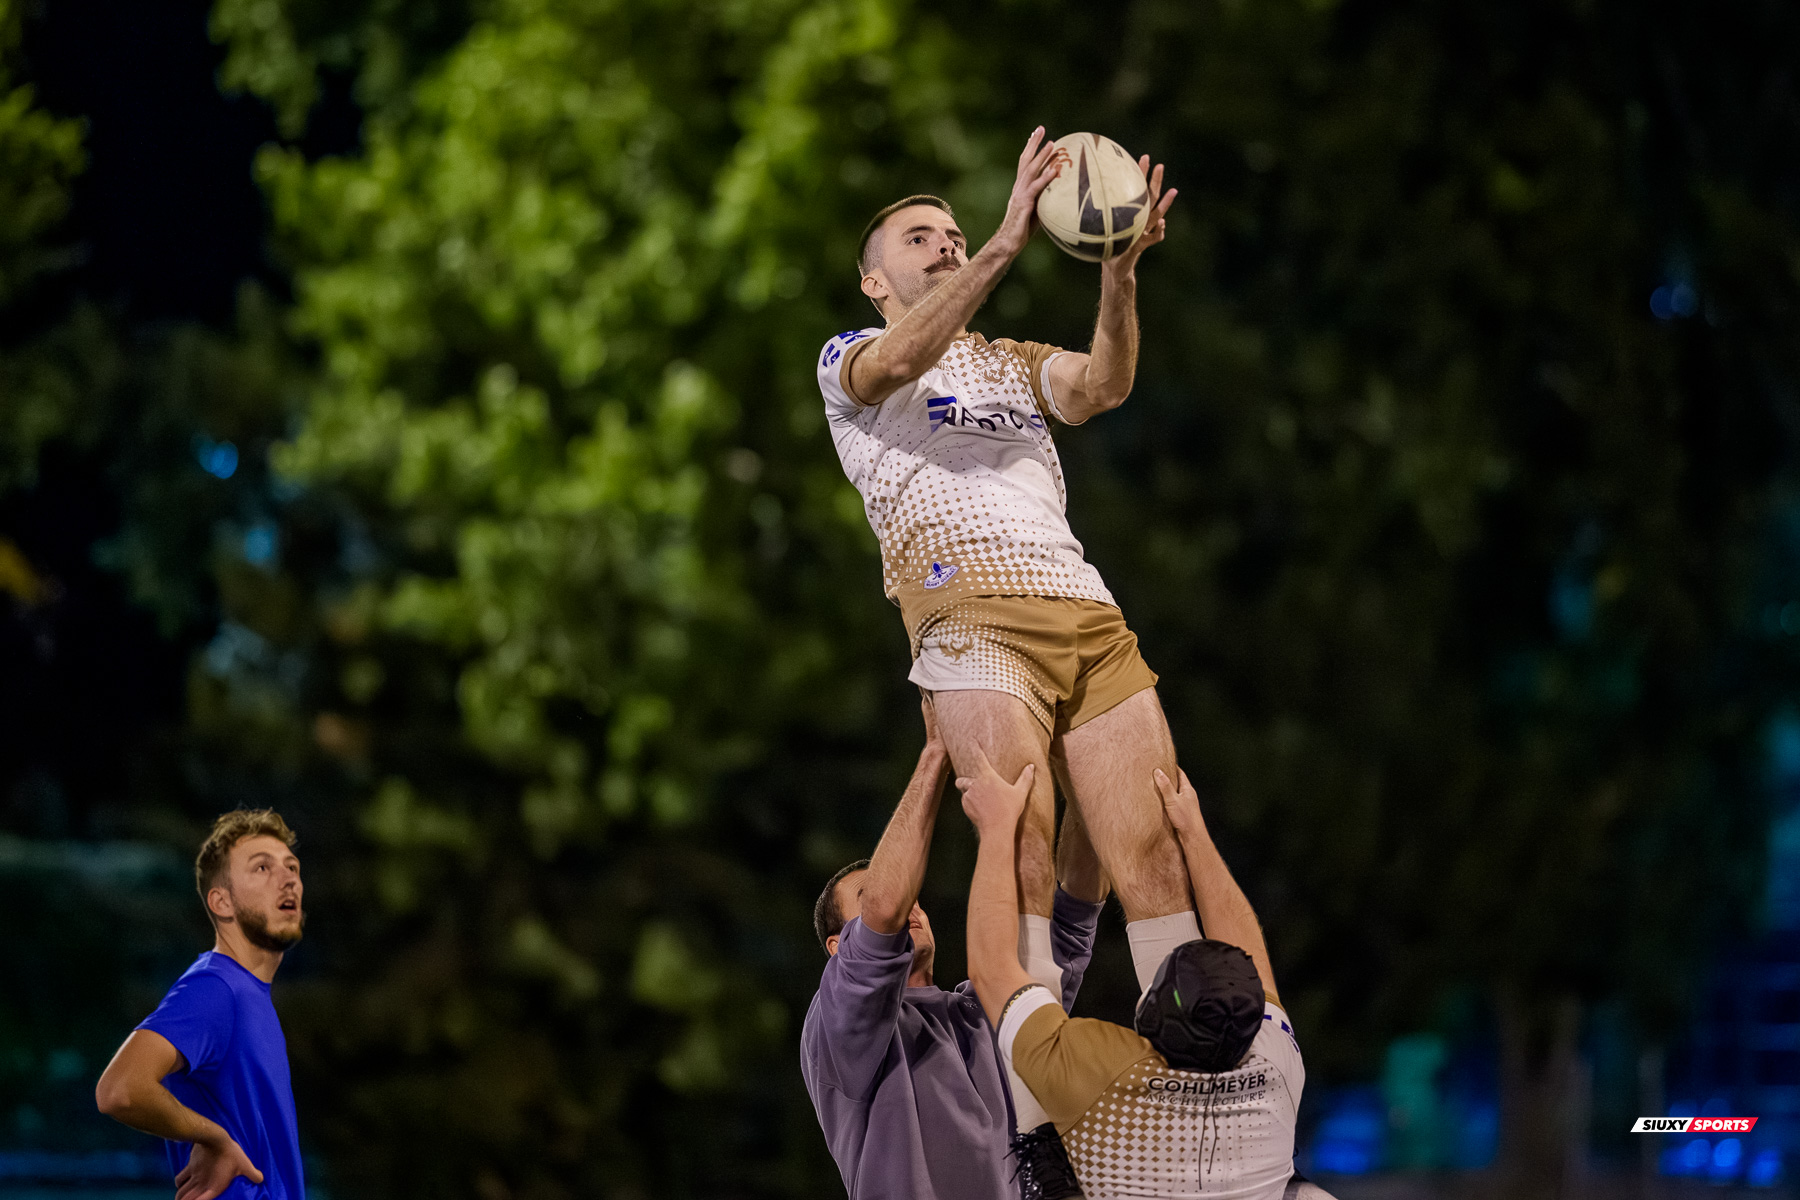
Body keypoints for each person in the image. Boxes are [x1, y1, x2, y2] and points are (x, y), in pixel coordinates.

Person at [814, 134, 1205, 1145]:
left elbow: (1100, 387)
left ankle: (1213, 1099)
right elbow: (903, 354)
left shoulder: (1009, 361)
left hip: (1083, 609)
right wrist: (999, 245)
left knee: (1153, 854)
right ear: (873, 278)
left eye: (952, 231)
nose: (945, 245)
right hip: (968, 614)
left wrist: (1118, 279)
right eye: (921, 236)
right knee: (1022, 846)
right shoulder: (851, 360)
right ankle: (1031, 1132)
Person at [959, 754, 1311, 1200]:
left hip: (1085, 1159)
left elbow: (992, 968)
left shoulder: (1100, 1073)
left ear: (1148, 1021)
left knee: (1044, 1140)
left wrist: (994, 830)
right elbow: (1251, 954)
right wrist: (1194, 835)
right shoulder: (1272, 1059)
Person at [802, 701, 1109, 1200]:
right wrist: (936, 751)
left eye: (913, 898)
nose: (911, 908)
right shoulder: (836, 1028)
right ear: (839, 949)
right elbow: (883, 909)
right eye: (873, 901)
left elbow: (1075, 913)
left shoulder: (980, 1014)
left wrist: (1082, 768)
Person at [96, 810, 307, 1200]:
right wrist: (213, 1138)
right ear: (221, 902)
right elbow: (120, 1089)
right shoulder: (216, 988)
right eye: (262, 868)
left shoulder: (246, 994)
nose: (288, 878)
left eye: (291, 867)